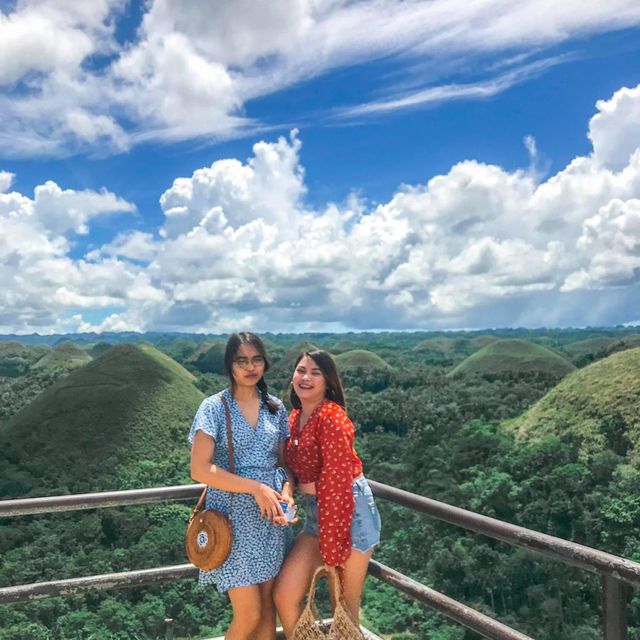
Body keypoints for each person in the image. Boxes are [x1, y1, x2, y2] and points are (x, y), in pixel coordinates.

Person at [188, 332, 295, 640]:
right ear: (230, 365)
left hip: (270, 522)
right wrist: (254, 488)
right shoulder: (213, 408)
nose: (251, 367)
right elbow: (199, 469)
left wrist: (286, 493)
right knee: (248, 614)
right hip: (233, 523)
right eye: (242, 360)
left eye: (257, 359)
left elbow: (282, 464)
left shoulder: (275, 407)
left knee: (266, 611)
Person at [274, 350, 381, 637]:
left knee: (343, 609)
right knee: (285, 594)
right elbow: (290, 467)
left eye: (315, 372)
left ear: (328, 382)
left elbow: (336, 483)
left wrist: (333, 551)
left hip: (349, 516)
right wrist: (288, 488)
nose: (305, 377)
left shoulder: (332, 418)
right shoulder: (295, 418)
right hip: (315, 518)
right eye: (300, 370)